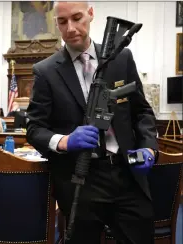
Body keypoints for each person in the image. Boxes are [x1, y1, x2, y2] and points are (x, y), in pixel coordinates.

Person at [26, 2, 158, 244]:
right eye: (62, 22)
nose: (71, 28)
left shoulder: (122, 58)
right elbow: (34, 129)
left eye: (77, 18)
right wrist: (65, 141)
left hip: (126, 173)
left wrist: (149, 148)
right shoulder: (45, 71)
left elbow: (142, 112)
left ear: (91, 14)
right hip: (80, 180)